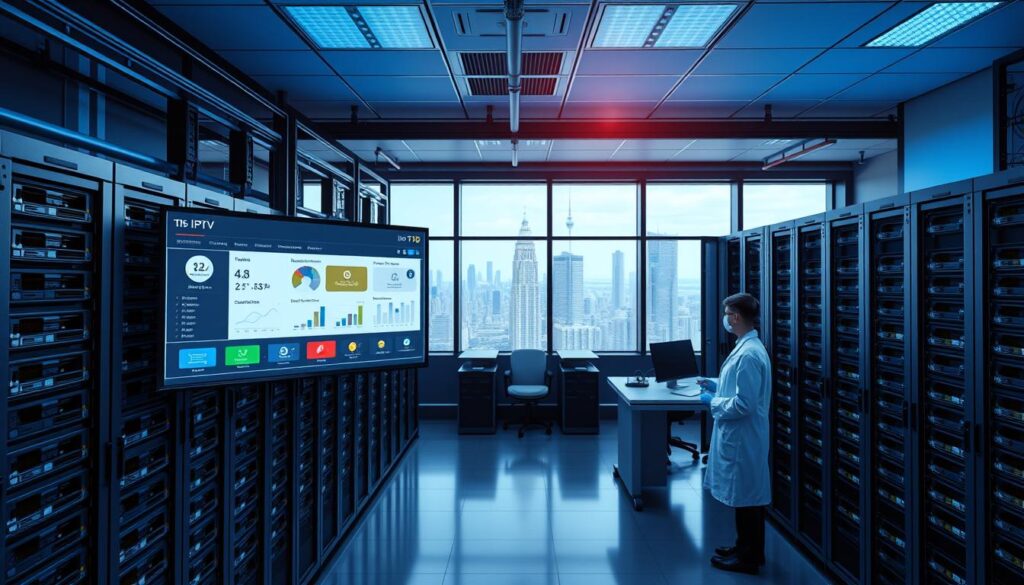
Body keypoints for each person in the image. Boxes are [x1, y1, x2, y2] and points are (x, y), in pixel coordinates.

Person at [697, 292, 772, 575]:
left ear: (736, 317)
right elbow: (738, 387)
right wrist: (716, 385)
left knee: (747, 499)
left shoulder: (750, 354)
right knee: (746, 498)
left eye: (727, 314)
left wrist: (712, 402)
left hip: (744, 438)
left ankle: (749, 558)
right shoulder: (746, 346)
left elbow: (744, 403)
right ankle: (744, 548)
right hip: (742, 436)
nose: (725, 319)